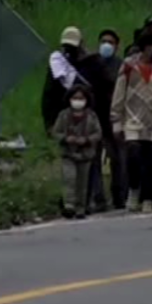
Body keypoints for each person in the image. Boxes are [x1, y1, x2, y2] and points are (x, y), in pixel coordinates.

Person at [111, 29, 152, 213]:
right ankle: (134, 190)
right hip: (133, 120)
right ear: (146, 47)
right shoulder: (128, 66)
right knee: (134, 155)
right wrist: (116, 121)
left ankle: (149, 198)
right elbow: (118, 94)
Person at [75, 29, 125, 211]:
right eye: (103, 41)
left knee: (116, 158)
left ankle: (119, 195)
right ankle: (98, 198)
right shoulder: (92, 64)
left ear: (116, 46)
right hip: (94, 117)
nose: (106, 45)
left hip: (112, 116)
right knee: (94, 159)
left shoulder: (120, 66)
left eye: (110, 42)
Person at [51, 85, 103, 219]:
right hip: (68, 154)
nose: (78, 101)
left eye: (81, 98)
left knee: (82, 183)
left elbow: (98, 133)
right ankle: (69, 205)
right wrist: (66, 138)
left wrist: (86, 140)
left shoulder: (91, 116)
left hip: (85, 155)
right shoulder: (63, 115)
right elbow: (56, 132)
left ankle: (81, 208)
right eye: (75, 98)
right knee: (69, 179)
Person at [42, 27, 87, 131]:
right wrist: (49, 124)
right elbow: (49, 97)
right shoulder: (57, 64)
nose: (69, 50)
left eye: (72, 47)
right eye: (67, 47)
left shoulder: (87, 64)